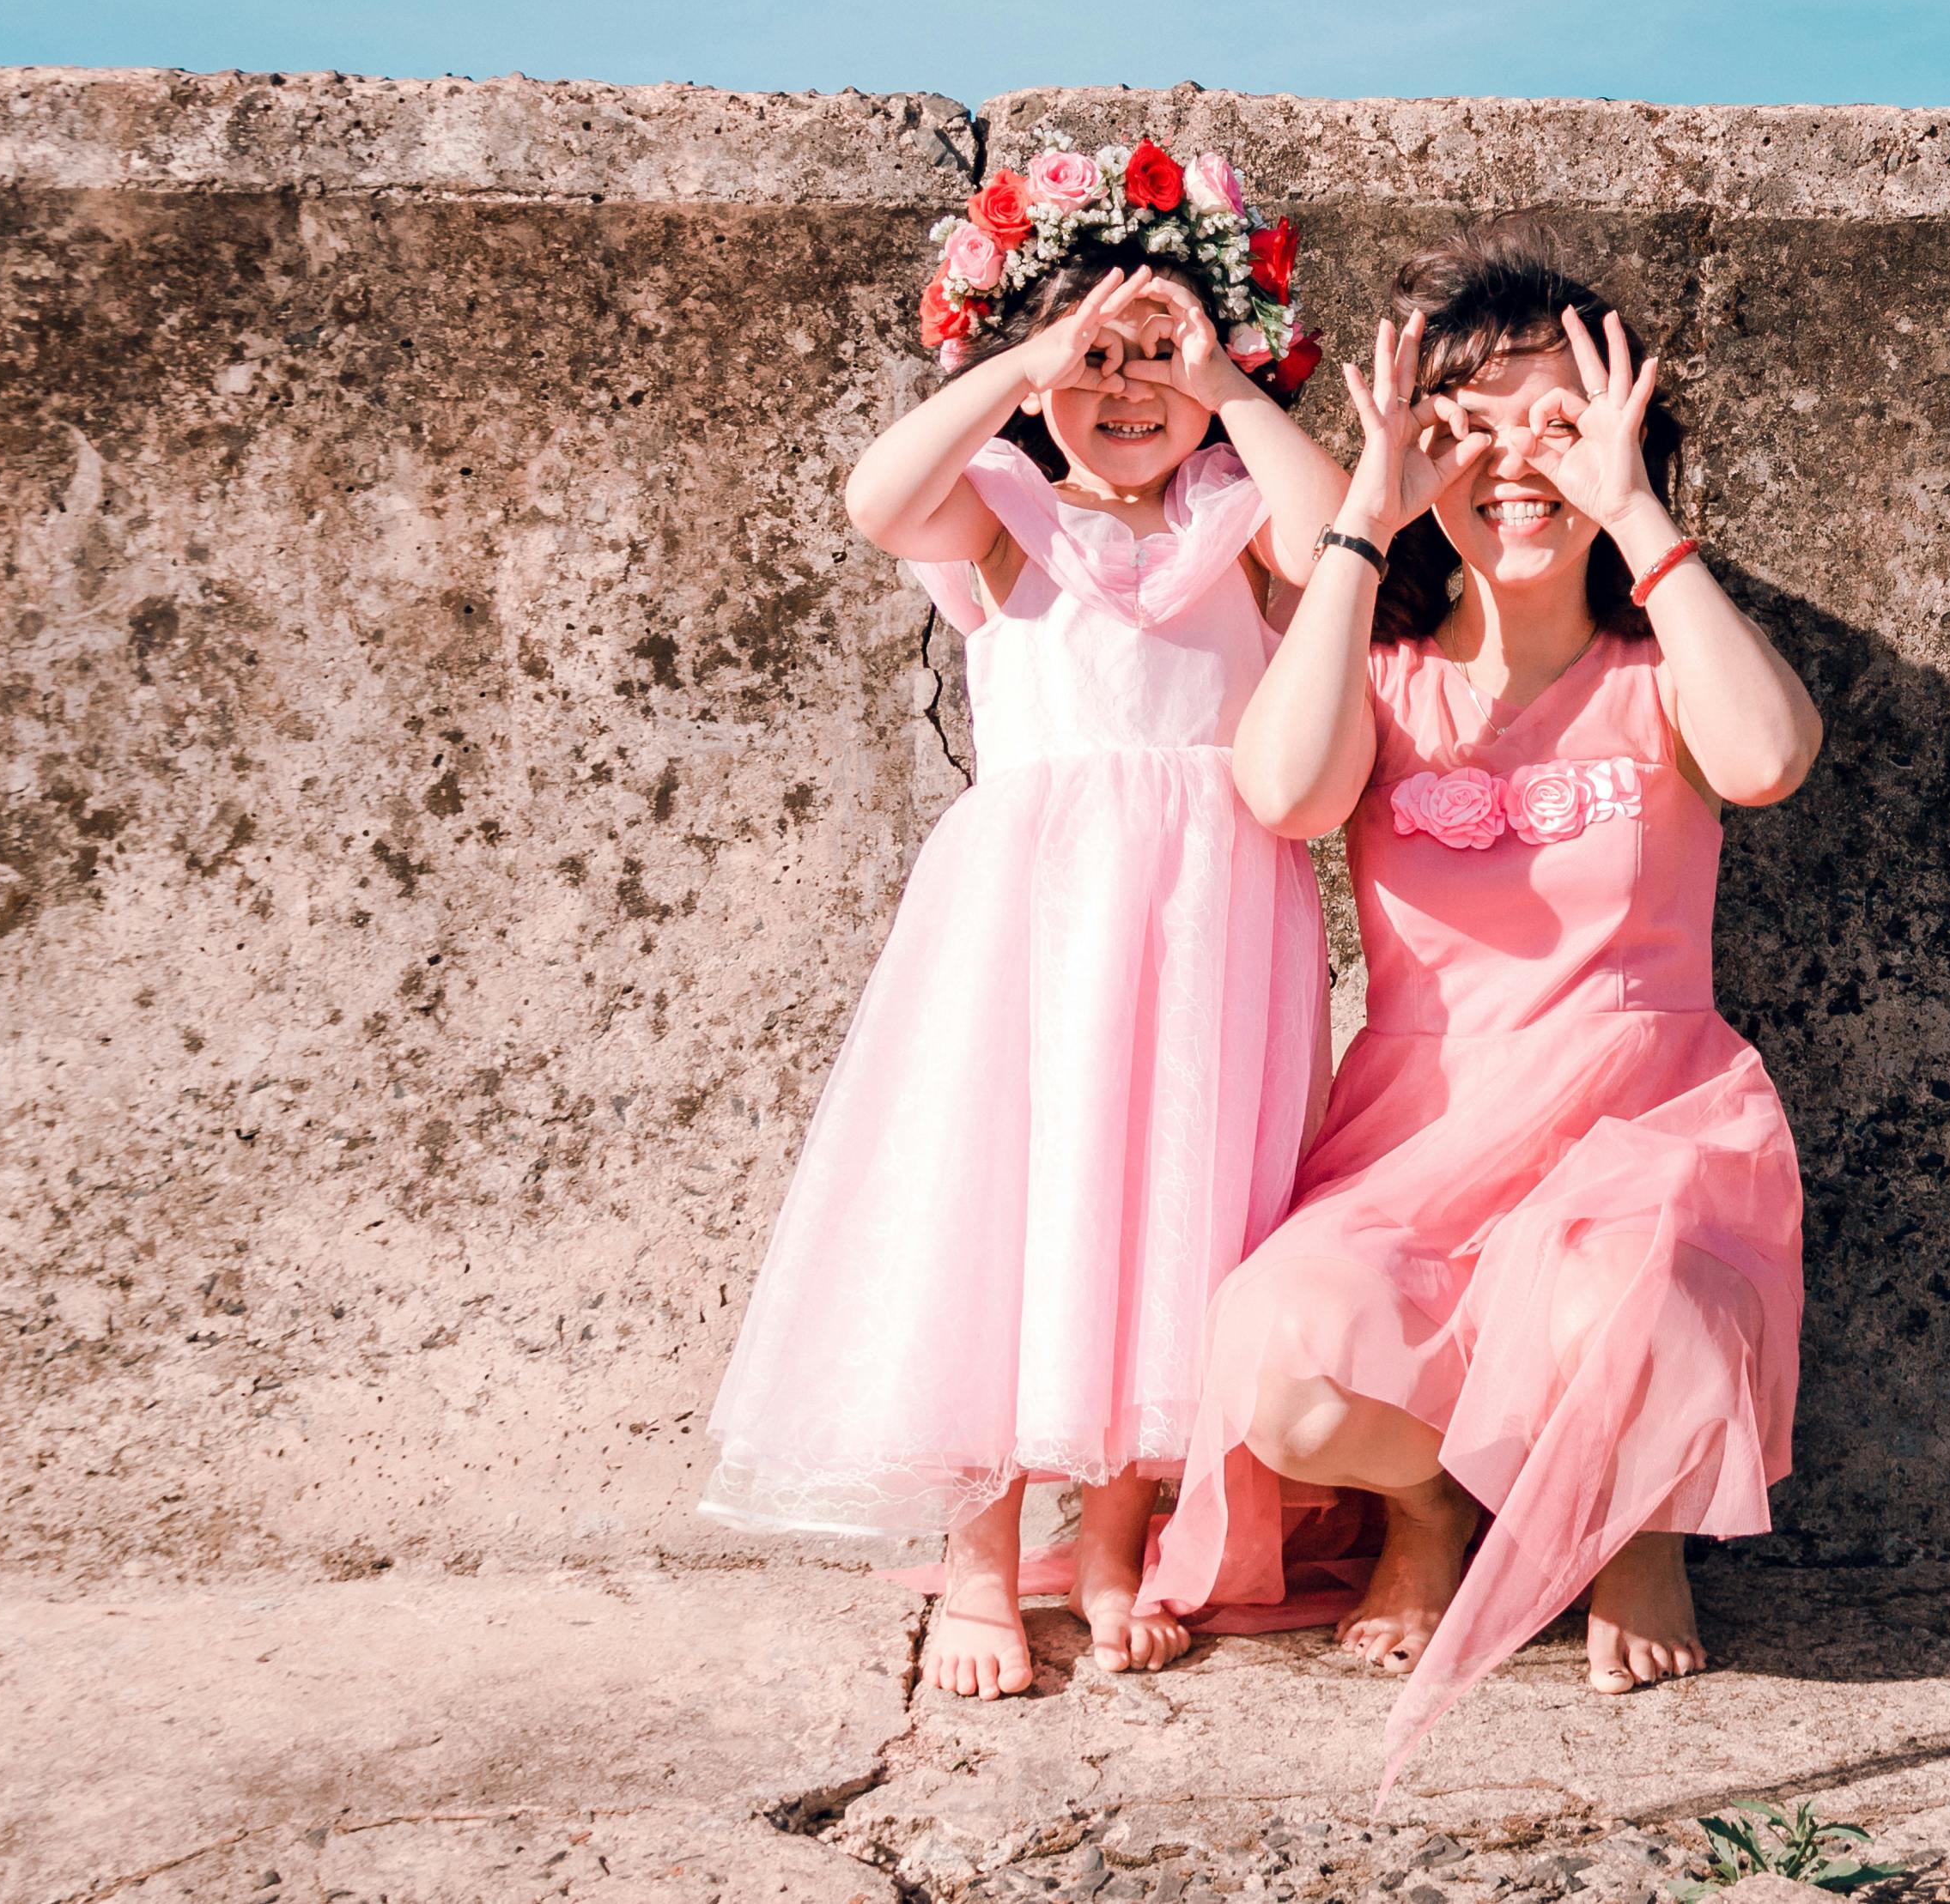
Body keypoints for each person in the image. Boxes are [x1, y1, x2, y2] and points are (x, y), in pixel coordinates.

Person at [1144, 228, 1825, 1788]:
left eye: (1558, 420)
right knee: (1286, 1373)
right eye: (1468, 421)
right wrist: (1366, 525)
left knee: (1628, 1305)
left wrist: (1637, 515)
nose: (1515, 460)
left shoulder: (1661, 663)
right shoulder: (1382, 670)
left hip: (1637, 1133)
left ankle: (1635, 1529)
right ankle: (1436, 1506)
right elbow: (1282, 787)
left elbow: (1770, 759)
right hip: (1420, 1137)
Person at [701, 140, 1337, 1696]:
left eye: (1162, 358)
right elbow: (875, 497)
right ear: (1036, 367)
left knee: (1164, 1221)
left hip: (1211, 911)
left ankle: (1116, 1542)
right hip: (1036, 914)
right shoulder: (999, 508)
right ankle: (984, 1563)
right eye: (1095, 359)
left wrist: (1238, 393)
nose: (1127, 387)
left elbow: (1350, 554)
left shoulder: (1242, 508)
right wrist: (1024, 365)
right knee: (1014, 1217)